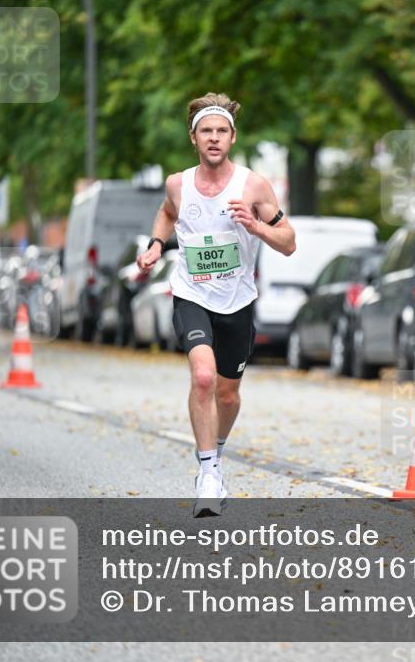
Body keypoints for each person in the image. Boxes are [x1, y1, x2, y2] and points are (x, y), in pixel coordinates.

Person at [137, 93, 296, 517]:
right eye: (205, 131)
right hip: (191, 294)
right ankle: (208, 473)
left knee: (227, 396)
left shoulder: (253, 186)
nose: (213, 138)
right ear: (193, 138)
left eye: (221, 131)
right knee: (203, 377)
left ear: (232, 137)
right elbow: (167, 213)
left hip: (237, 301)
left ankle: (215, 452)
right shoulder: (178, 184)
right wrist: (156, 245)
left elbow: (289, 243)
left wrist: (256, 227)